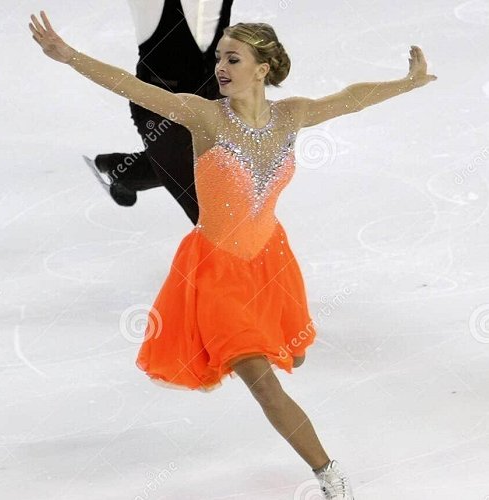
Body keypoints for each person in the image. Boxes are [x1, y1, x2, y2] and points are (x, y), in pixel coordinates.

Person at [29, 10, 436, 499]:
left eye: (232, 58)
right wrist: (67, 54)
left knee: (297, 357)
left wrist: (407, 84)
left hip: (271, 263)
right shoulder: (204, 116)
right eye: (219, 56)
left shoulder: (292, 115)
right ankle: (330, 476)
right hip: (216, 273)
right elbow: (131, 88)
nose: (219, 67)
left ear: (262, 68)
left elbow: (350, 100)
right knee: (264, 383)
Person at [85, 0, 234, 225]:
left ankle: (124, 172)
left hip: (214, 99)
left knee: (217, 172)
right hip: (161, 109)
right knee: (210, 213)